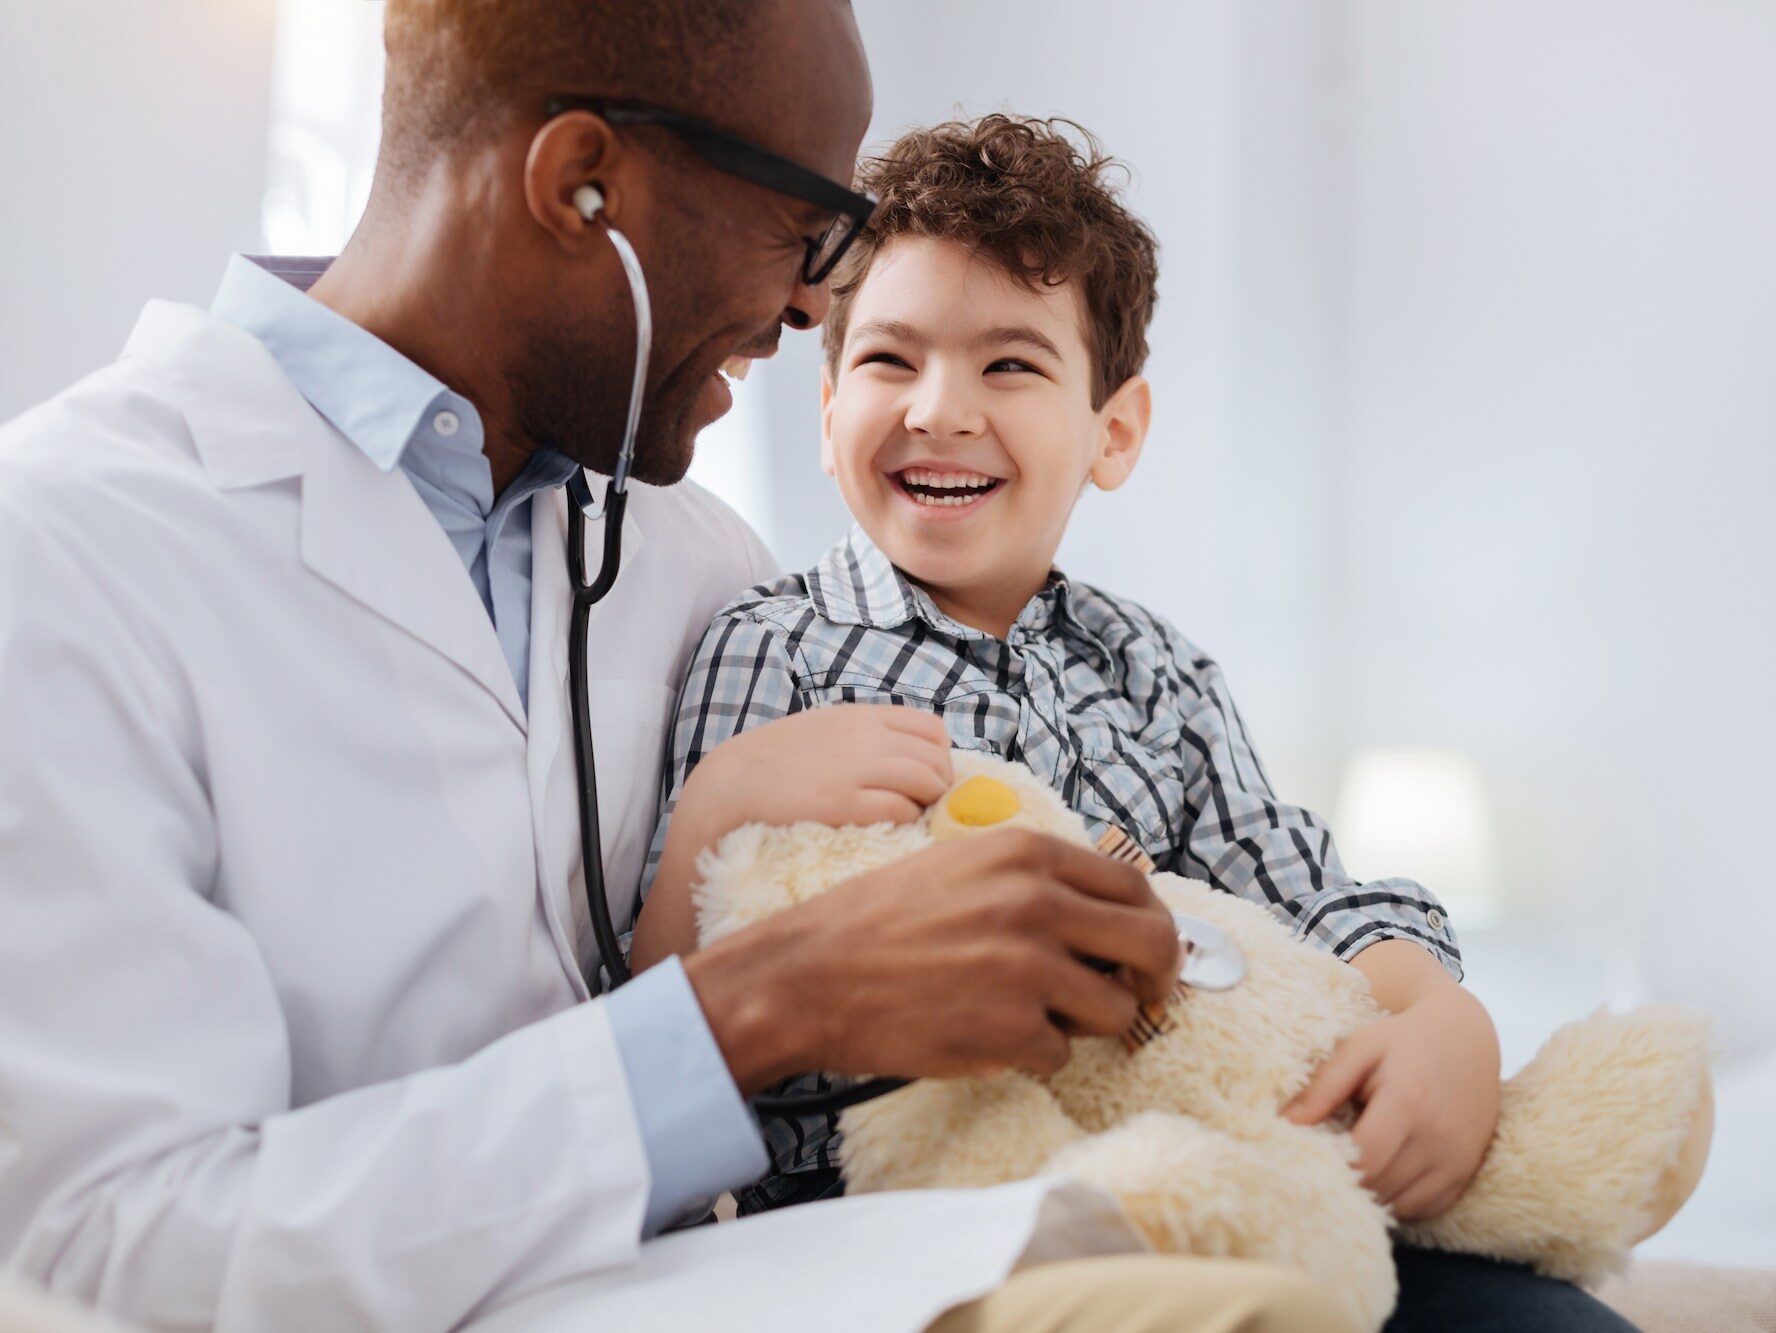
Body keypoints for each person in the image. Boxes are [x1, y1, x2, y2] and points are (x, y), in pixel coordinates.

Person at [0, 2, 1362, 1330]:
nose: (810, 303)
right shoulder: (65, 545)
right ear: (583, 183)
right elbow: (103, 1252)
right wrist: (754, 1007)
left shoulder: (693, 555)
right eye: (807, 228)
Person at [630, 116, 1637, 1331]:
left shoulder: (1153, 664)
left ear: (1113, 433)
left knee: (1550, 1318)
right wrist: (716, 807)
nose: (941, 409)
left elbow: (1297, 884)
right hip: (905, 1219)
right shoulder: (771, 648)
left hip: (1210, 1167)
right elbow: (664, 1045)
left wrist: (1440, 1016)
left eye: (1011, 365)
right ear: (834, 399)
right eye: (893, 361)